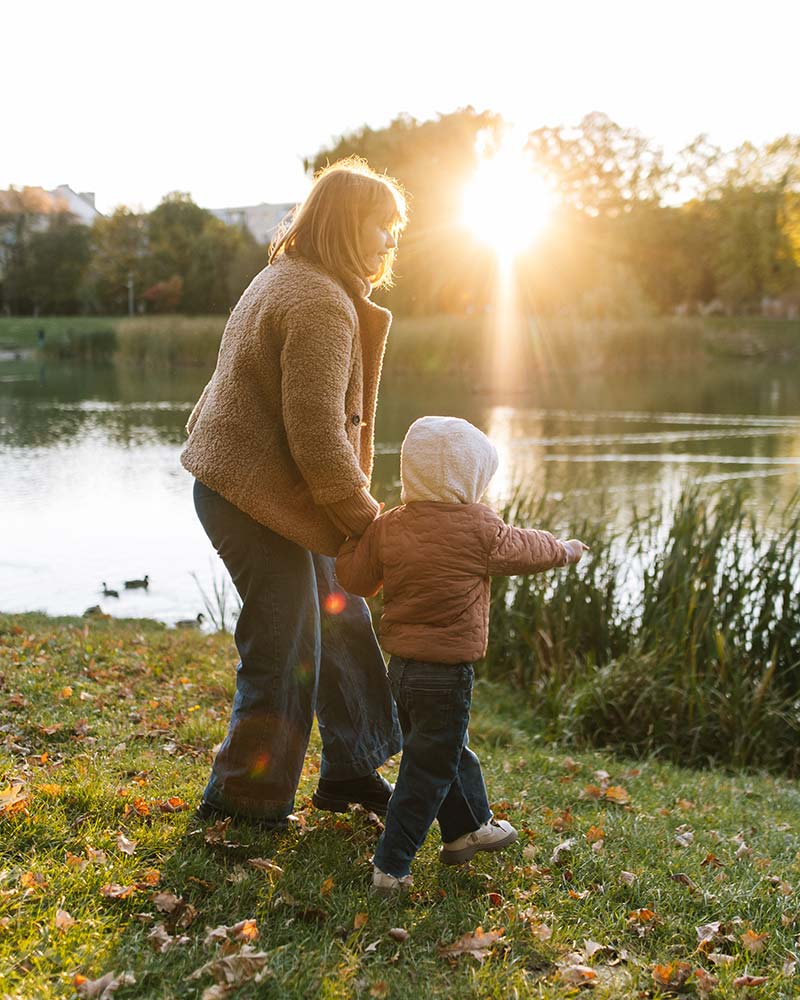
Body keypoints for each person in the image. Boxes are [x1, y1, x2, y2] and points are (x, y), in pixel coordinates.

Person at [180, 157, 407, 827]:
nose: (392, 241)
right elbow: (319, 445)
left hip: (278, 496)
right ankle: (241, 802)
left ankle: (349, 769)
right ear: (345, 226)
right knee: (285, 642)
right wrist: (374, 527)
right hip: (250, 499)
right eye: (382, 227)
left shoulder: (298, 278)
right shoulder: (316, 302)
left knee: (342, 617)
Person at [335, 416, 588, 894]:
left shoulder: (389, 527)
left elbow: (356, 580)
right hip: (447, 675)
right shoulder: (479, 526)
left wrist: (355, 534)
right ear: (469, 477)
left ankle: (466, 830)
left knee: (442, 748)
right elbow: (525, 548)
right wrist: (565, 551)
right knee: (428, 767)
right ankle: (391, 865)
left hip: (402, 673)